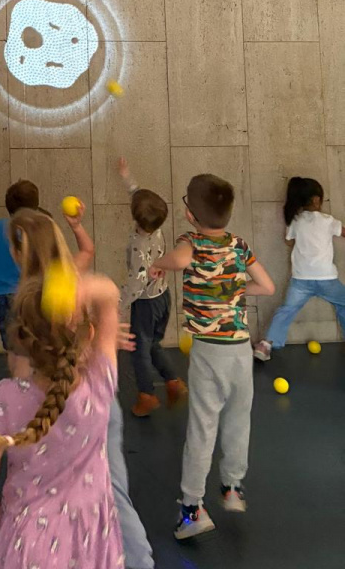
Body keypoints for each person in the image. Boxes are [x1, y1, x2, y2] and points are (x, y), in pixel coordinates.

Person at [0, 209, 123, 569]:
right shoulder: (100, 383)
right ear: (88, 334)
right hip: (90, 535)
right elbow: (110, 297)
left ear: (23, 340)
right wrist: (82, 291)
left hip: (26, 540)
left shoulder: (6, 400)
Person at [151, 174, 274, 541]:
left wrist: (160, 262)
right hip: (241, 349)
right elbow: (266, 286)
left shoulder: (190, 241)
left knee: (203, 427)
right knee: (238, 420)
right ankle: (233, 487)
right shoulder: (239, 245)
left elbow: (180, 260)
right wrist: (233, 290)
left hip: (209, 351)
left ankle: (193, 509)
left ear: (190, 214)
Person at [0, 180, 94, 350]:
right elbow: (87, 251)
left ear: (16, 252)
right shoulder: (40, 229)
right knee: (41, 344)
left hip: (4, 293)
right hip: (38, 293)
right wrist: (76, 226)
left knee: (13, 348)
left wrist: (0, 270)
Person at [116, 156, 186, 417]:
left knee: (138, 349)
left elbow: (137, 284)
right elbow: (138, 197)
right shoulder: (156, 227)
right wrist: (126, 176)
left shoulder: (138, 244)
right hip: (163, 297)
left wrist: (118, 305)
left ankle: (146, 395)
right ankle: (173, 381)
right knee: (154, 344)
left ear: (135, 217)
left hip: (145, 303)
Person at [254, 176, 345, 361]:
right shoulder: (327, 220)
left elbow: (288, 241)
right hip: (327, 278)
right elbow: (343, 232)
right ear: (316, 200)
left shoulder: (295, 221)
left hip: (301, 280)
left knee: (286, 310)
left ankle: (265, 345)